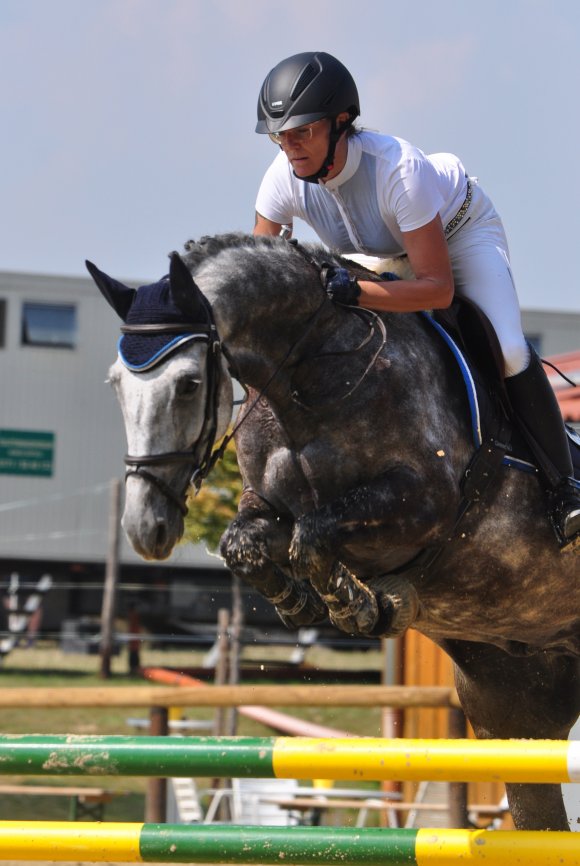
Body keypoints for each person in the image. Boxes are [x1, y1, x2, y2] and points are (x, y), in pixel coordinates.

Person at [253, 50, 580, 552]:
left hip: (457, 235)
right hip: (377, 252)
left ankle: (564, 488)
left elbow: (436, 288)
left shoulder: (396, 169)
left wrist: (357, 291)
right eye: (280, 135)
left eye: (302, 132)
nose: (289, 146)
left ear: (341, 123)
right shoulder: (282, 178)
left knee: (508, 347)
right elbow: (264, 279)